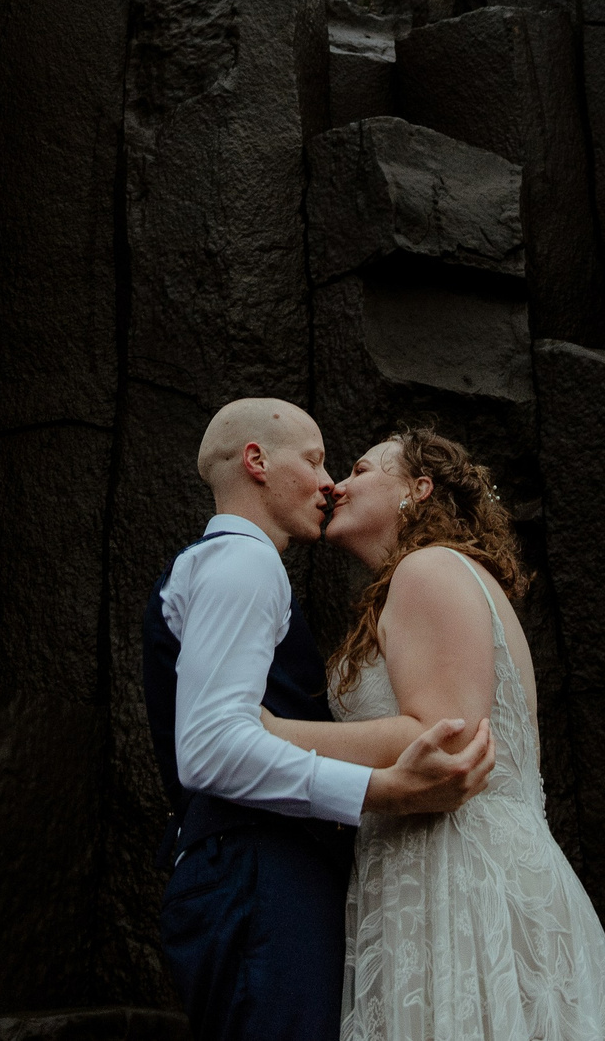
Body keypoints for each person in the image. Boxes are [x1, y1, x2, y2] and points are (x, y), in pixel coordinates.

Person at [265, 424, 605, 1041]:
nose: (336, 485)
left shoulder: (429, 568)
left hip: (458, 872)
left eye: (361, 470)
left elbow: (446, 735)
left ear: (418, 489)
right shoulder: (438, 576)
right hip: (457, 865)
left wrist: (270, 734)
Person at [143, 398, 499, 1041]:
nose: (328, 482)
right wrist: (381, 790)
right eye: (314, 460)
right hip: (257, 872)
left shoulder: (227, 566)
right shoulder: (244, 561)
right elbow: (212, 748)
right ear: (256, 461)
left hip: (255, 873)